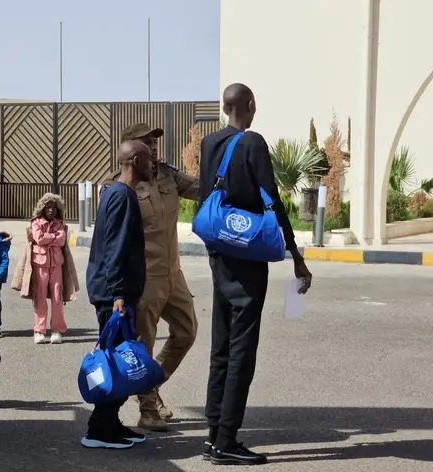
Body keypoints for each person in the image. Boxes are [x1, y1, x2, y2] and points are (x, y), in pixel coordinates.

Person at [198, 83, 313, 466]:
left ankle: (213, 434)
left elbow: (207, 194)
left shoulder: (209, 143)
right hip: (246, 254)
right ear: (249, 105)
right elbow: (272, 199)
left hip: (219, 251)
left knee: (221, 345)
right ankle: (227, 441)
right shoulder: (253, 142)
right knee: (242, 350)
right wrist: (295, 253)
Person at [115, 123, 200, 432]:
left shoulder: (168, 175)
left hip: (173, 273)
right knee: (144, 344)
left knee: (186, 332)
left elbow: (202, 188)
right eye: (146, 141)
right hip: (145, 277)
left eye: (154, 141)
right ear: (130, 148)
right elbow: (113, 242)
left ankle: (150, 384)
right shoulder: (120, 186)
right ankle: (148, 409)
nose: (153, 145)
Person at [82, 140, 152, 449]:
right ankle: (98, 430)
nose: (153, 164)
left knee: (119, 360)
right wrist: (120, 294)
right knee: (116, 363)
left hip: (112, 292)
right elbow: (116, 247)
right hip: (114, 295)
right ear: (135, 161)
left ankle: (110, 424)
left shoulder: (116, 192)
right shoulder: (122, 195)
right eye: (148, 159)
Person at [30, 193, 70, 345]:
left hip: (56, 264)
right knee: (39, 297)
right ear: (42, 208)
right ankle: (39, 331)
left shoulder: (59, 223)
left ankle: (57, 330)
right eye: (48, 207)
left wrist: (48, 238)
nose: (51, 210)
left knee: (57, 297)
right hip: (40, 264)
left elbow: (62, 240)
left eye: (54, 208)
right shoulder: (36, 222)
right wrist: (53, 237)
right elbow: (38, 238)